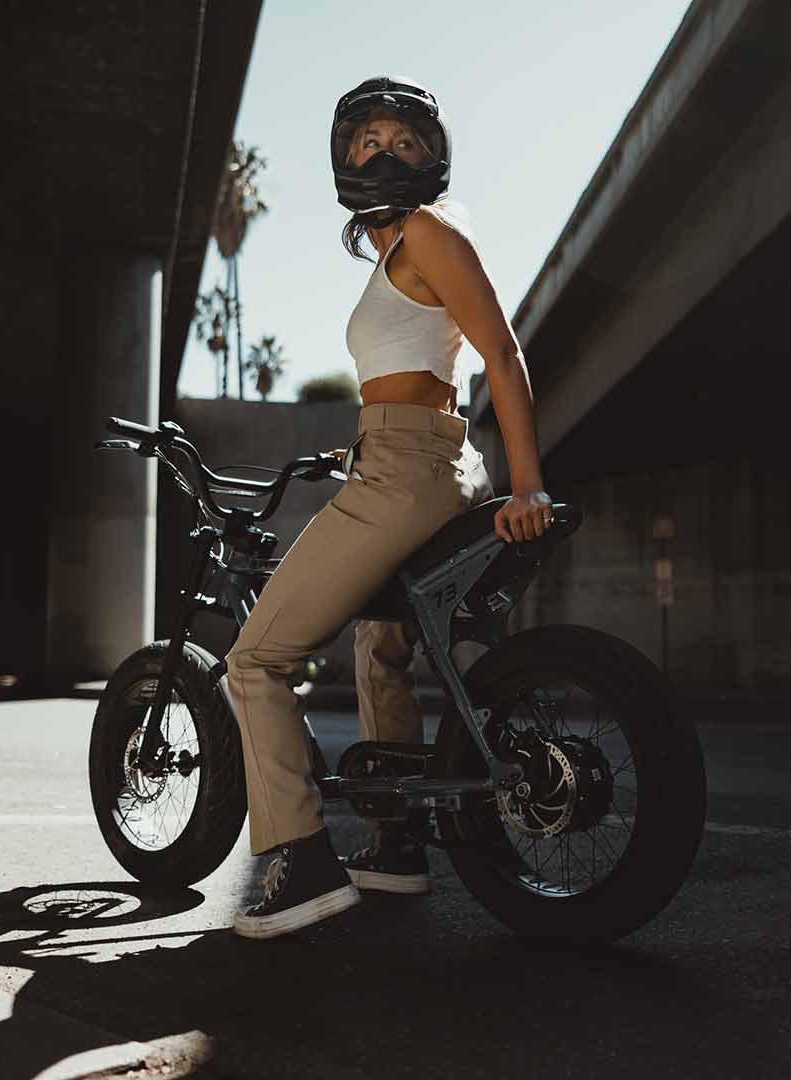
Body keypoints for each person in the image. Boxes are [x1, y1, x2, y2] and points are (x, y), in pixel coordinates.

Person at [222, 75, 553, 940]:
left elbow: (502, 354)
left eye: (404, 142)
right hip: (414, 458)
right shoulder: (398, 253)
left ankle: (297, 862)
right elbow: (419, 381)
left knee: (254, 659)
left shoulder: (431, 230)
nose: (385, 153)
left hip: (414, 472)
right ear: (342, 157)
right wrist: (360, 447)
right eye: (367, 139)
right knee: (381, 644)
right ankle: (395, 846)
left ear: (433, 159)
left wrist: (531, 485)